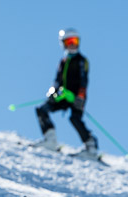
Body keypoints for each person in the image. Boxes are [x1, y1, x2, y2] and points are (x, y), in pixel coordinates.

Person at [34, 28, 99, 159]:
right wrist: (52, 92)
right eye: (69, 41)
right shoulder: (63, 62)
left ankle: (91, 147)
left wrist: (80, 96)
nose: (72, 44)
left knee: (75, 118)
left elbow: (84, 80)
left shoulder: (82, 61)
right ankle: (50, 140)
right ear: (63, 43)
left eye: (75, 41)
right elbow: (57, 81)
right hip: (63, 95)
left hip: (76, 97)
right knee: (42, 109)